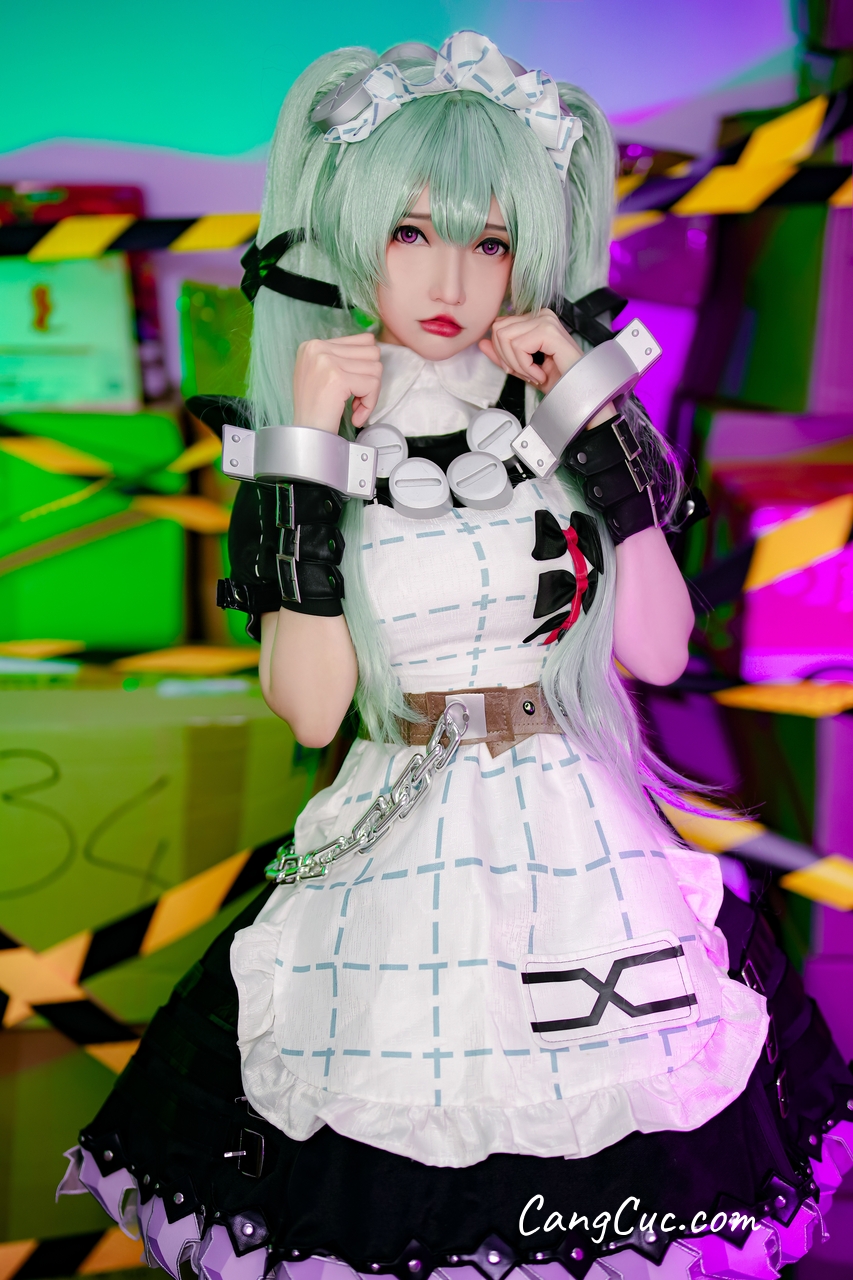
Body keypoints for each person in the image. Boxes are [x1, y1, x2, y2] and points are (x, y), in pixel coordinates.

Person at [60, 33, 853, 1280]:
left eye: (488, 241)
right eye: (411, 231)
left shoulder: (556, 409)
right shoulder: (316, 435)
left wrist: (594, 420)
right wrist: (308, 449)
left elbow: (654, 648)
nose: (451, 277)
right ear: (352, 233)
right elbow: (312, 708)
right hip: (397, 830)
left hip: (574, 827)